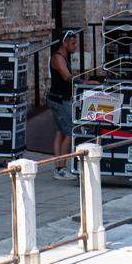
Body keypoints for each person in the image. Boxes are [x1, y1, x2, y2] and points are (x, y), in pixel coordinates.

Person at [48, 32, 78, 180]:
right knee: (70, 132)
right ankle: (61, 168)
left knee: (60, 132)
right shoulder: (58, 58)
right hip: (59, 100)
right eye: (72, 43)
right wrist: (84, 81)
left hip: (59, 98)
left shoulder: (64, 56)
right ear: (64, 43)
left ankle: (58, 167)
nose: (75, 46)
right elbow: (67, 77)